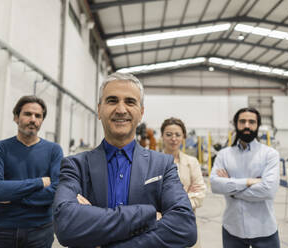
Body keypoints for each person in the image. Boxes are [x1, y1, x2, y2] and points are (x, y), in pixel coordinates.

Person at [53, 72, 197, 247]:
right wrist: (148, 214)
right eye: (112, 100)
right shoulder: (75, 166)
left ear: (141, 112)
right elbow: (66, 226)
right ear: (99, 110)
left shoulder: (162, 165)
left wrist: (98, 226)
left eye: (130, 102)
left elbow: (185, 228)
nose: (121, 110)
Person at [0, 95, 63, 248]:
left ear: (42, 121)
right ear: (16, 117)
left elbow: (57, 190)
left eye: (38, 116)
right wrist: (39, 182)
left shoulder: (54, 150)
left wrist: (11, 195)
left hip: (40, 230)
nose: (33, 119)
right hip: (1, 229)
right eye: (27, 114)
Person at [210, 107, 280, 248]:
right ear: (236, 124)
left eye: (251, 122)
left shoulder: (270, 154)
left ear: (257, 125)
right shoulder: (224, 155)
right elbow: (215, 185)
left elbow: (268, 190)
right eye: (242, 121)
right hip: (232, 229)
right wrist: (249, 182)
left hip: (264, 229)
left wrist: (230, 188)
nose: (247, 125)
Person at [160, 117, 206, 248]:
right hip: (161, 227)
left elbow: (200, 195)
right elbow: (149, 196)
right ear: (162, 136)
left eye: (177, 135)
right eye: (169, 134)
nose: (173, 139)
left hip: (186, 225)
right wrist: (185, 196)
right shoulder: (152, 162)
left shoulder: (192, 163)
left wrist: (167, 206)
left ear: (183, 137)